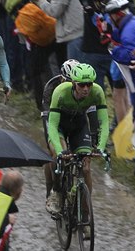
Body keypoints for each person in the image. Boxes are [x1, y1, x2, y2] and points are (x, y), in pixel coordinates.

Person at [45, 63, 109, 217]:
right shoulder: (60, 92)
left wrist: (100, 146)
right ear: (73, 83)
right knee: (57, 156)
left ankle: (85, 213)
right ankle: (57, 193)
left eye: (89, 84)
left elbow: (104, 122)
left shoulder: (97, 92)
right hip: (60, 126)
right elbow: (52, 125)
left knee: (86, 168)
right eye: (82, 85)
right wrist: (60, 151)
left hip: (79, 127)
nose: (86, 89)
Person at [41, 59, 80, 198]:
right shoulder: (51, 87)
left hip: (72, 119)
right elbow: (49, 119)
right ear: (62, 78)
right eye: (69, 82)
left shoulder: (83, 87)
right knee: (56, 153)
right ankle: (52, 189)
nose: (72, 86)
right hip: (53, 119)